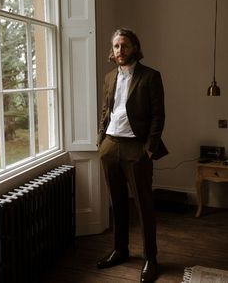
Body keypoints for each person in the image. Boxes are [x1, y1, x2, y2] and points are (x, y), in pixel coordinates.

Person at [97, 28, 168, 283]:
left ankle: (151, 258)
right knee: (117, 203)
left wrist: (149, 149)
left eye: (124, 45)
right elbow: (107, 110)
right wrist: (100, 141)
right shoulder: (108, 77)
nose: (120, 51)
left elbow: (158, 116)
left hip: (136, 148)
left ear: (135, 47)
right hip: (110, 147)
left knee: (143, 205)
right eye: (116, 46)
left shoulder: (150, 77)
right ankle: (120, 250)